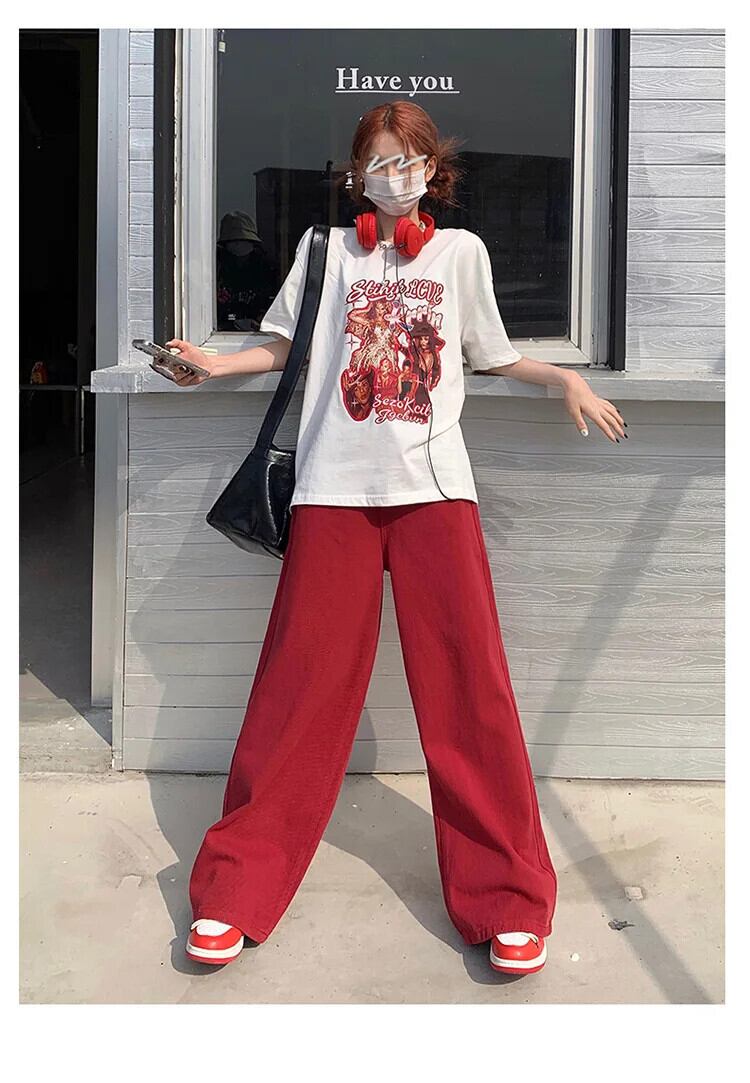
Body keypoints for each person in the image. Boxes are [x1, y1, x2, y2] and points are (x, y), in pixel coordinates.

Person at [166, 101, 627, 977]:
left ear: (432, 171)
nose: (395, 175)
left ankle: (508, 895)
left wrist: (564, 378)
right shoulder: (325, 252)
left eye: (409, 160)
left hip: (435, 491)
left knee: (470, 690)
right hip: (333, 489)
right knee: (297, 687)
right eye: (379, 161)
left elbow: (492, 354)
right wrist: (213, 363)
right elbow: (282, 348)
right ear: (356, 174)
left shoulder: (461, 254)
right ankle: (236, 884)